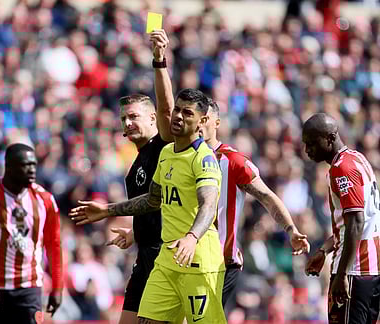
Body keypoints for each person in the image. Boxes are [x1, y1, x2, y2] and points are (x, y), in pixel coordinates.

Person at [149, 28, 310, 308]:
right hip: (182, 259)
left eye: (204, 118)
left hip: (220, 262)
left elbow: (267, 197)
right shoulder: (178, 155)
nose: (196, 122)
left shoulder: (232, 161)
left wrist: (291, 229)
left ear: (214, 123)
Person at [70, 88, 227, 324]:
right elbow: (153, 200)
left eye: (187, 113)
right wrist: (108, 211)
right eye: (177, 110)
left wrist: (192, 237)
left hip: (198, 260)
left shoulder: (203, 159)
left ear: (202, 121)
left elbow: (208, 204)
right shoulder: (166, 154)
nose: (178, 116)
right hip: (166, 259)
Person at [0, 143, 63, 324]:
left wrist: (58, 287)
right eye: (25, 165)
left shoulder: (45, 199)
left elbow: (54, 245)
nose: (32, 170)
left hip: (29, 287)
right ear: (8, 166)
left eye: (34, 164)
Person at [303, 113, 380, 324]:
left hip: (355, 269)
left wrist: (342, 275)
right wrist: (324, 250)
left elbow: (356, 221)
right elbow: (354, 223)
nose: (307, 150)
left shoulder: (342, 169)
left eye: (312, 143)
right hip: (370, 268)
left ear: (330, 137)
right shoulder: (358, 159)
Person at [105, 92, 173, 324]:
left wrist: (159, 63)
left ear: (153, 118)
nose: (127, 123)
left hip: (165, 255)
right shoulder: (136, 165)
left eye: (133, 116)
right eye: (123, 118)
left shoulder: (165, 147)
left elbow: (166, 107)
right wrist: (135, 232)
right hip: (144, 256)